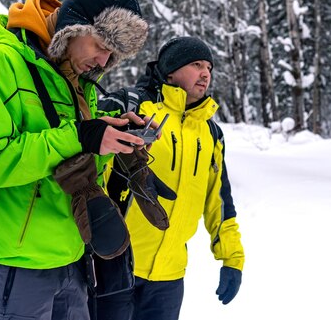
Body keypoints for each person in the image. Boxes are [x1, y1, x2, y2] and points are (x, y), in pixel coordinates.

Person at [0, 0, 160, 320]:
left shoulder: (79, 78)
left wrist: (115, 132)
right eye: (101, 45)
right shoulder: (0, 64)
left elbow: (77, 160)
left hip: (73, 256)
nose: (103, 61)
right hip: (20, 261)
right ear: (74, 26)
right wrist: (82, 136)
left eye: (113, 53)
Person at [97, 36, 245, 320]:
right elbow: (83, 169)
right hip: (114, 264)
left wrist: (232, 258)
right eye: (196, 64)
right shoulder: (133, 107)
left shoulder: (210, 133)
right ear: (170, 72)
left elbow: (219, 201)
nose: (205, 74)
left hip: (169, 276)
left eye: (209, 68)